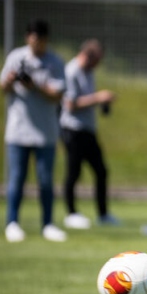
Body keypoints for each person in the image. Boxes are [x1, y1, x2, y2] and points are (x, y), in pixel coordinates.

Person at [0, 19, 68, 243]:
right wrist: (10, 80)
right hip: (18, 130)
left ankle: (48, 224)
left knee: (46, 180)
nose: (36, 43)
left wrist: (34, 85)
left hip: (45, 131)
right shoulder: (16, 58)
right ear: (28, 37)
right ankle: (12, 223)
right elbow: (2, 88)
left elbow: (57, 95)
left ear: (46, 40)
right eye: (33, 38)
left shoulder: (55, 62)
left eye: (40, 39)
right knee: (17, 178)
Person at [60, 39, 119, 230]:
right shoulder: (72, 71)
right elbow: (70, 104)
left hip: (88, 130)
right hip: (72, 129)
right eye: (97, 60)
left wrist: (102, 103)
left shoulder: (89, 71)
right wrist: (98, 97)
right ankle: (71, 213)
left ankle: (103, 214)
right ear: (88, 55)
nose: (98, 65)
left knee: (101, 171)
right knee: (74, 172)